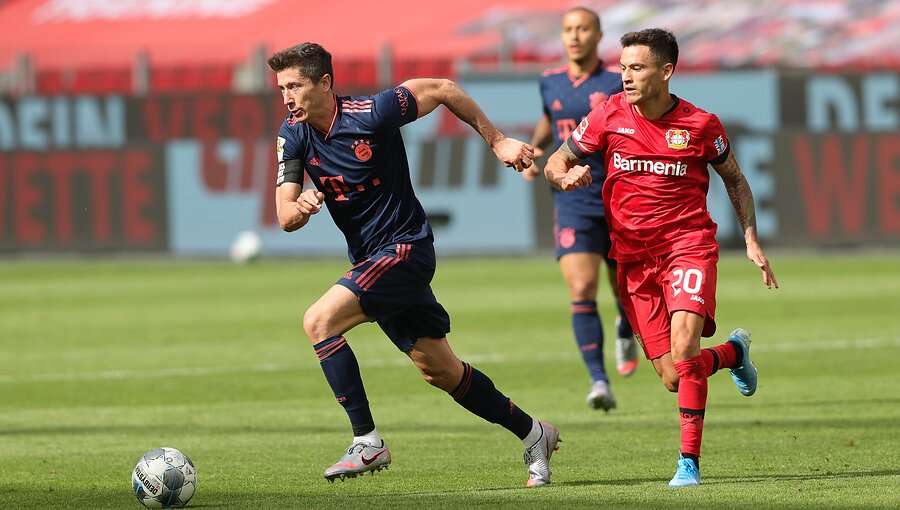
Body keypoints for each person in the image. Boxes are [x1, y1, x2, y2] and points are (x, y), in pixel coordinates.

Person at [268, 42, 561, 487]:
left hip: (405, 249)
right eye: (282, 88)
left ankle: (367, 440)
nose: (287, 97)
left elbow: (443, 88)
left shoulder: (374, 112)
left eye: (295, 86)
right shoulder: (293, 134)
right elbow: (284, 216)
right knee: (441, 370)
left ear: (325, 83)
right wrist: (303, 207)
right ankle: (534, 432)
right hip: (373, 261)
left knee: (319, 322)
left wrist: (498, 141)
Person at [541, 28, 778, 487]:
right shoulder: (608, 113)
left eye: (637, 68)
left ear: (666, 71)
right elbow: (556, 162)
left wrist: (750, 237)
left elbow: (735, 180)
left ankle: (688, 462)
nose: (625, 77)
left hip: (688, 246)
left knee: (686, 347)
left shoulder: (701, 124)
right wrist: (563, 178)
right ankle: (733, 352)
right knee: (674, 375)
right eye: (623, 67)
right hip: (631, 258)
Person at [522, 6, 639, 413]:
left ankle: (626, 327)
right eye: (568, 29)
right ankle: (599, 380)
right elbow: (548, 120)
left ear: (598, 34)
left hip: (618, 196)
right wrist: (534, 152)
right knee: (581, 289)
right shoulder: (550, 81)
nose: (574, 36)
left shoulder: (616, 81)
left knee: (624, 290)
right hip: (571, 198)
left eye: (583, 28)